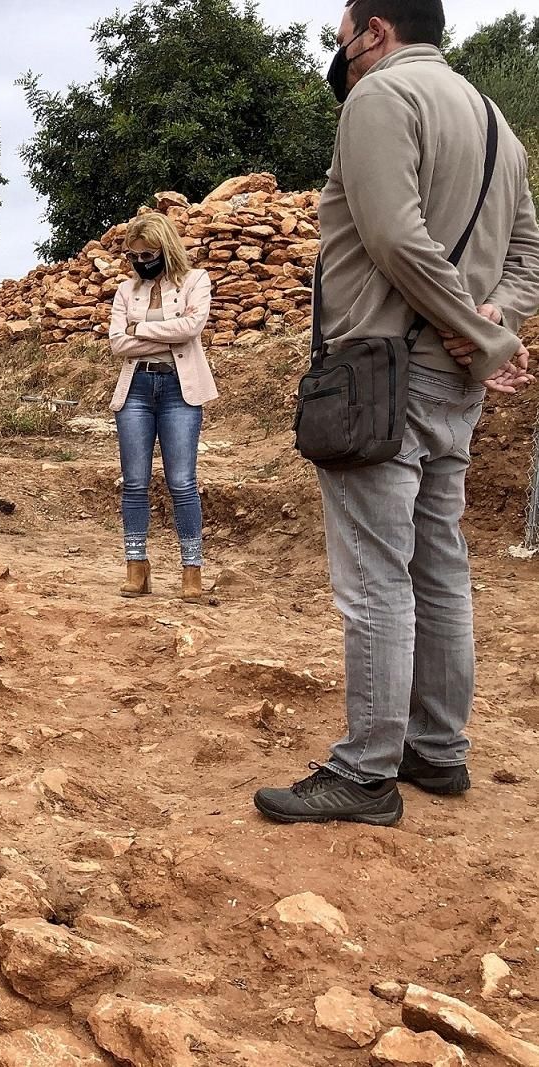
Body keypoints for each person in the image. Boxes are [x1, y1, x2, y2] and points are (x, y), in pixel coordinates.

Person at [254, 0, 539, 826]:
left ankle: (367, 772)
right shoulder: (497, 124)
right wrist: (491, 322)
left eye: (342, 36)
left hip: (382, 372)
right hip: (452, 384)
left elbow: (395, 239)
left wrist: (471, 332)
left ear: (374, 30)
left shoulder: (381, 98)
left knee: (376, 571)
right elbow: (528, 256)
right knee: (438, 561)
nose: (340, 54)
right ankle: (437, 750)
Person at [107, 211, 218, 601]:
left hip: (179, 391)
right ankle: (136, 566)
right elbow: (118, 343)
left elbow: (191, 329)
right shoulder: (126, 291)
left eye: (147, 253)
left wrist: (140, 330)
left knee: (182, 482)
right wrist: (164, 338)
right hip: (135, 388)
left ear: (165, 248)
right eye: (134, 256)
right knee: (134, 482)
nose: (140, 262)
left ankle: (192, 570)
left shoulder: (195, 281)